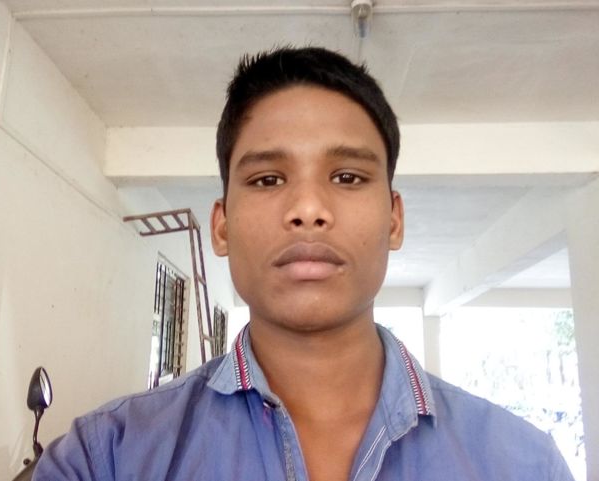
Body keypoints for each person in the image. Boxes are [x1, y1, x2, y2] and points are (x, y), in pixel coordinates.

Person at [33, 47, 574, 481]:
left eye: (348, 177)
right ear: (221, 226)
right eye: (268, 179)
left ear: (394, 220)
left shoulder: (524, 465)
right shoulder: (105, 459)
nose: (309, 209)